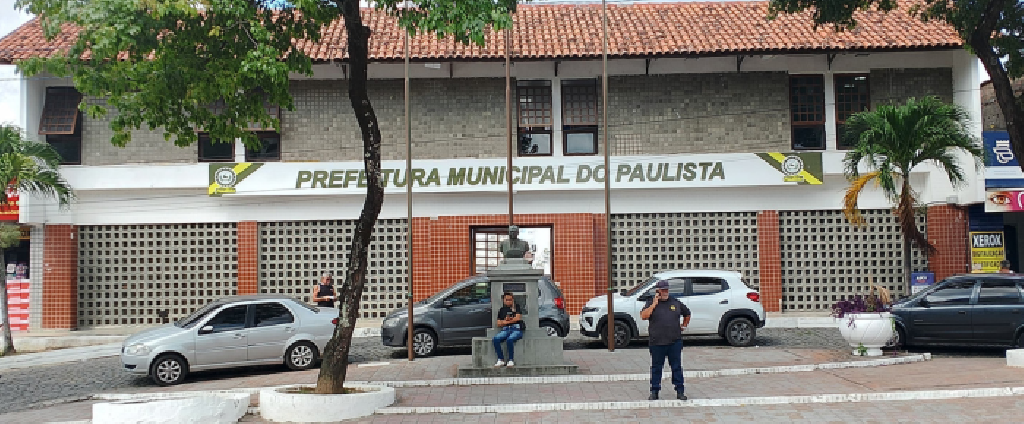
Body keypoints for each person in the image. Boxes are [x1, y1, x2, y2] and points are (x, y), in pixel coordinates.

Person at [640, 280, 691, 400]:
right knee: (656, 368)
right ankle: (654, 391)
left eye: (666, 289)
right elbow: (644, 316)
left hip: (674, 341)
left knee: (676, 367)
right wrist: (654, 303)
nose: (665, 292)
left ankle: (680, 391)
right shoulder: (650, 302)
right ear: (658, 291)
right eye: (663, 290)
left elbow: (687, 313)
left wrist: (684, 325)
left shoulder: (675, 302)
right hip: (657, 342)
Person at [492, 292, 524, 367]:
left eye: (510, 300)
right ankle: (501, 359)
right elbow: (498, 323)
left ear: (513, 300)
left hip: (516, 329)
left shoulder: (516, 307)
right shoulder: (502, 310)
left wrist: (505, 321)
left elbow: (517, 318)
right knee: (496, 339)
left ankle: (511, 360)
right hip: (506, 329)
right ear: (503, 300)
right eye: (507, 300)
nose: (508, 301)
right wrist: (508, 321)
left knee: (510, 339)